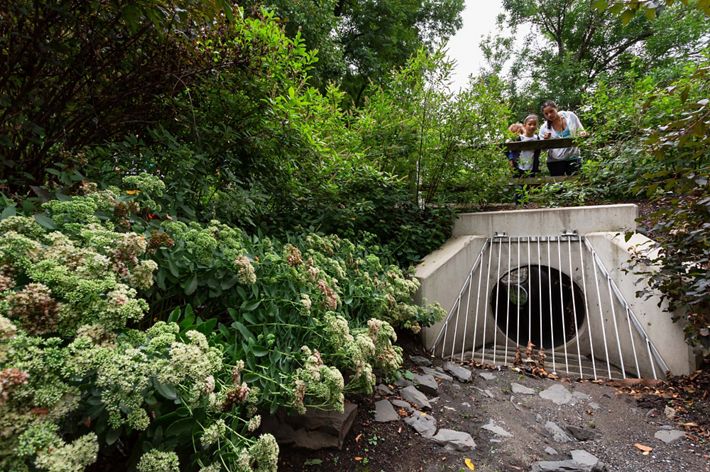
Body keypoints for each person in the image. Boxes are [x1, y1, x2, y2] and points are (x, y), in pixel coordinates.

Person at [538, 100, 588, 176]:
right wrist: (546, 140)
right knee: (558, 186)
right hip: (555, 161)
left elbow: (580, 130)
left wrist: (582, 134)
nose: (549, 115)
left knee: (577, 184)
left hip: (574, 157)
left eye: (551, 111)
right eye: (546, 114)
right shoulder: (544, 128)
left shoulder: (570, 116)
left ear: (556, 108)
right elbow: (543, 149)